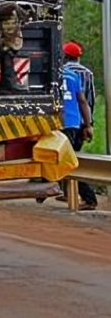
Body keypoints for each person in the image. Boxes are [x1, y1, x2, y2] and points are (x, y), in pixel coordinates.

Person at [61, 59, 97, 210]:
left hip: (60, 123)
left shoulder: (52, 75)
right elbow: (83, 101)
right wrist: (88, 125)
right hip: (74, 123)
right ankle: (67, 193)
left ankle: (89, 198)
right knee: (69, 157)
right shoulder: (72, 75)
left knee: (67, 160)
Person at [62, 41, 96, 114]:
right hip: (83, 117)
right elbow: (90, 99)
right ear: (78, 57)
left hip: (67, 117)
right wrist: (90, 120)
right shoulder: (88, 73)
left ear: (65, 57)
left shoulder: (61, 72)